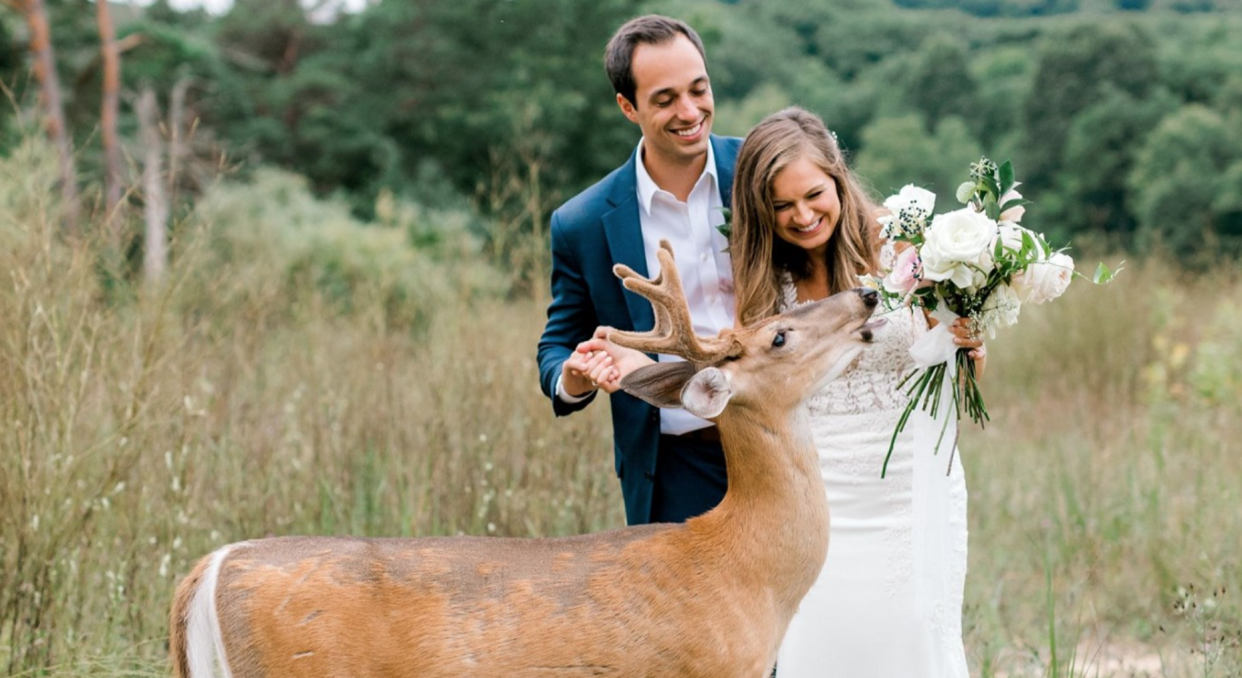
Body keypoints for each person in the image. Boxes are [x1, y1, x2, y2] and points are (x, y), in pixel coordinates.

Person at [588, 107, 985, 676]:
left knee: (914, 638)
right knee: (819, 647)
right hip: (816, 496)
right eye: (781, 206)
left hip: (912, 485)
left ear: (838, 177)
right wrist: (637, 367)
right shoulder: (761, 281)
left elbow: (957, 367)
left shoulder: (910, 249)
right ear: (759, 209)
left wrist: (971, 349)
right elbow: (743, 377)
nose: (802, 216)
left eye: (813, 195)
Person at [535, 15, 743, 526]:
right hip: (677, 468)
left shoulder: (762, 170)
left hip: (788, 440)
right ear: (627, 107)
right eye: (665, 99)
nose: (690, 111)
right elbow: (555, 348)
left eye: (699, 89)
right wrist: (577, 376)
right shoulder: (581, 223)